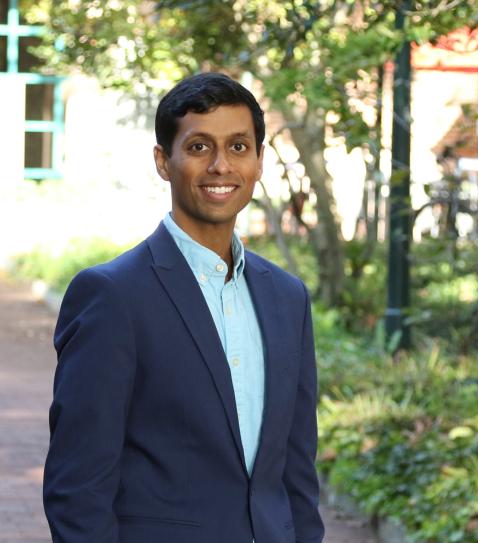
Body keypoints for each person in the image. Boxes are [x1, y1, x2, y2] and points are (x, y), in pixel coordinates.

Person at [43, 72, 325, 543]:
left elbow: (297, 471)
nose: (220, 166)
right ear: (164, 161)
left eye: (238, 147)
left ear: (258, 162)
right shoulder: (112, 296)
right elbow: (78, 487)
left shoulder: (287, 297)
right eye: (198, 147)